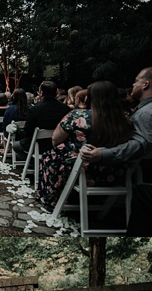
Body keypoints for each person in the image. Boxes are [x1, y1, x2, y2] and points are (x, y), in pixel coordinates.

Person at [36, 81, 134, 212]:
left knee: (51, 157)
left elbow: (55, 139)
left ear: (90, 97)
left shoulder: (78, 116)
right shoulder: (125, 120)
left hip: (81, 171)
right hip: (114, 174)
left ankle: (50, 199)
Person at [81, 67, 152, 166]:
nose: (133, 84)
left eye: (136, 81)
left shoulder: (145, 113)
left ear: (145, 84)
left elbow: (141, 145)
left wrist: (103, 154)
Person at [13, 81, 70, 158]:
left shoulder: (35, 109)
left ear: (41, 93)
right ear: (56, 93)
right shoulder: (65, 109)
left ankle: (32, 162)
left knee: (15, 146)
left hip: (38, 145)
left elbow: (27, 131)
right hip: (59, 143)